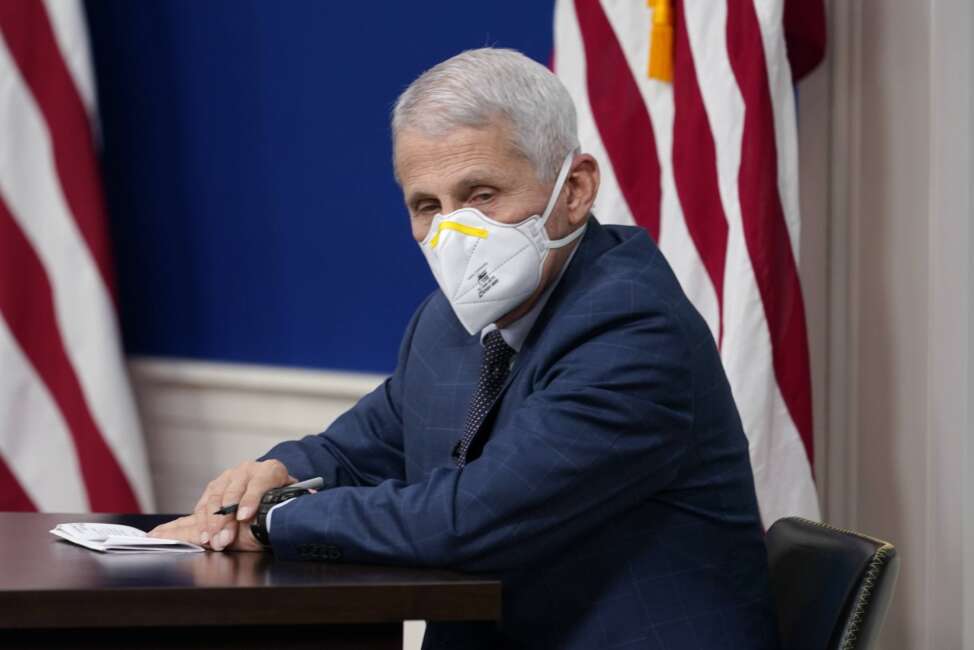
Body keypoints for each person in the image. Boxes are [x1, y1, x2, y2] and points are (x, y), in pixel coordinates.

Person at [150, 48, 780, 649]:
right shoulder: (450, 322)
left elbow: (471, 519)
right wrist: (272, 477)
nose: (454, 233)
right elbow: (357, 449)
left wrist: (273, 521)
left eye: (481, 195)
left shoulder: (633, 327)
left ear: (576, 189)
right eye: (428, 206)